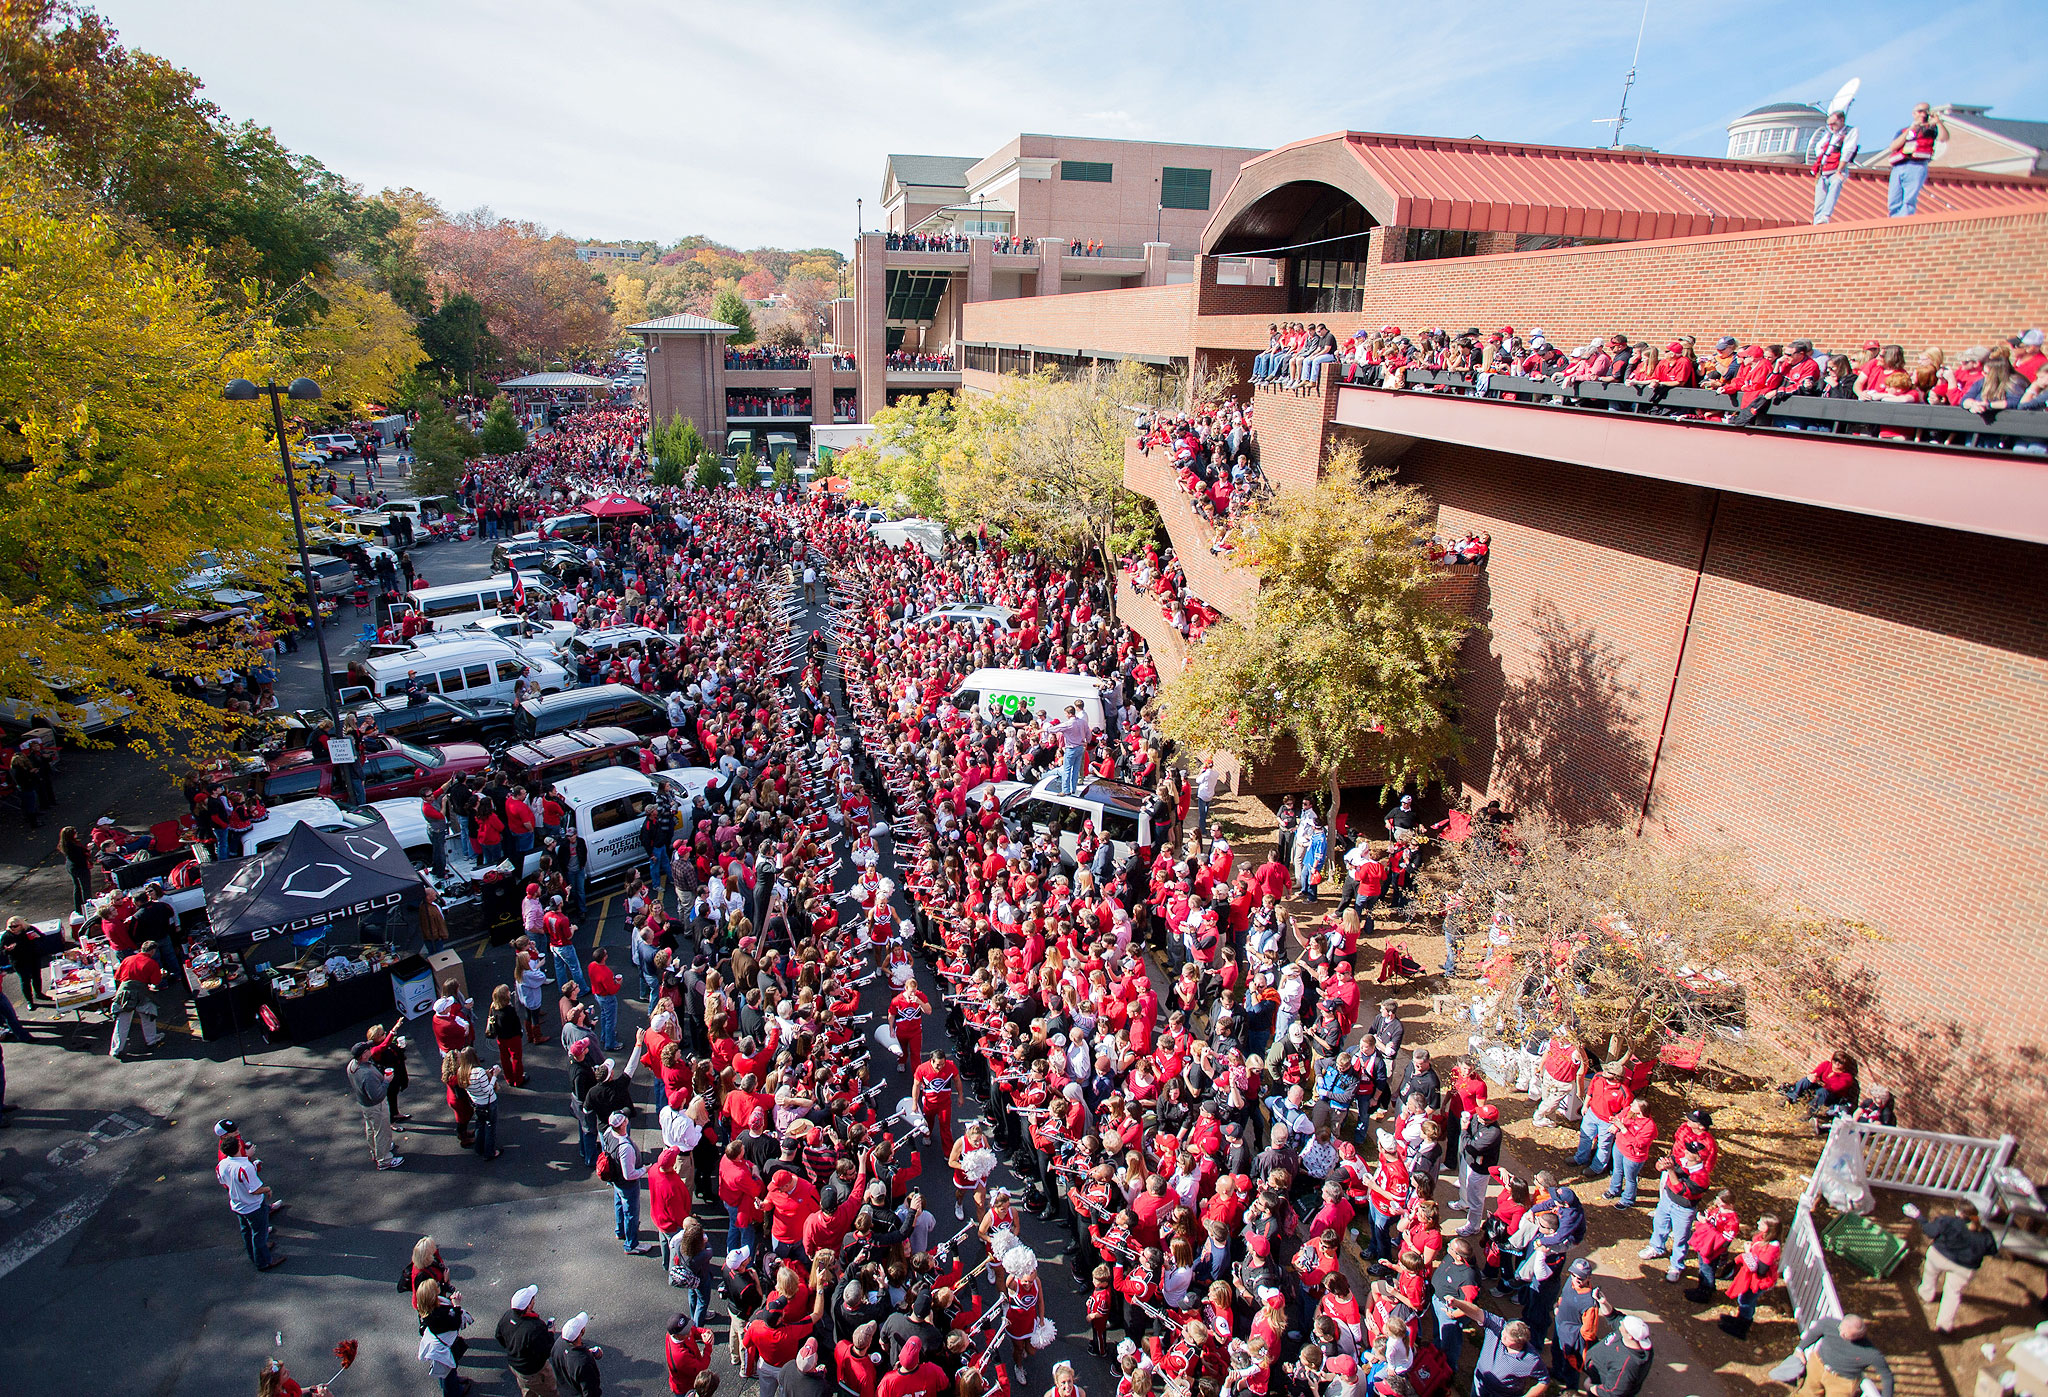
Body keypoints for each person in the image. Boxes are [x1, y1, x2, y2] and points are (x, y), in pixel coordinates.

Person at [1906, 1200, 1998, 1333]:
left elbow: (1930, 1231)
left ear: (1960, 1212)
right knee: (1953, 1294)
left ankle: (1926, 1294)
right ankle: (1944, 1326)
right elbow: (1992, 1251)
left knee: (1930, 1275)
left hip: (1939, 1257)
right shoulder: (1985, 1234)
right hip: (1965, 1268)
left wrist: (1919, 1217)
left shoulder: (1948, 1222)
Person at [1439, 1295, 1551, 1397]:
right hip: (1479, 1384)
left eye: (1506, 1337)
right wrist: (1457, 1303)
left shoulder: (1530, 1359)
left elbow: (1544, 1381)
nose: (1502, 1335)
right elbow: (1477, 1312)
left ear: (1518, 1343)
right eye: (1504, 1332)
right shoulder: (1499, 1327)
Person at [217, 1133, 283, 1271]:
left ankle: (254, 1254)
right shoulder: (245, 1167)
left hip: (237, 1205)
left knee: (246, 1232)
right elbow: (254, 1190)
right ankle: (264, 1261)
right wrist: (267, 1189)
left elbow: (224, 1182)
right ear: (239, 1146)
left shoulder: (221, 1165)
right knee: (259, 1234)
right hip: (252, 1207)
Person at [1793, 1314, 1891, 1397]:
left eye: (1845, 1335)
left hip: (1842, 1381)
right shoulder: (1829, 1324)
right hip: (1818, 1366)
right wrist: (1800, 1349)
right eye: (1841, 1329)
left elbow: (1887, 1376)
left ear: (1859, 1336)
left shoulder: (1870, 1353)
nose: (1841, 1334)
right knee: (1806, 1394)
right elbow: (1814, 1333)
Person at [1880, 102, 1946, 218]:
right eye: (1920, 111)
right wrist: (1911, 129)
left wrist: (1938, 122)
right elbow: (1893, 147)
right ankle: (1893, 221)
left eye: (1926, 111)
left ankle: (1904, 221)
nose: (1923, 114)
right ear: (1914, 113)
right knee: (1894, 199)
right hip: (1899, 166)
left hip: (1917, 165)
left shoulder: (1932, 129)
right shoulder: (1905, 130)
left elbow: (1943, 138)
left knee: (1909, 199)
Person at [347, 1040, 403, 1169]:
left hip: (365, 1105)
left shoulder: (352, 1065)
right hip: (376, 1106)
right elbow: (377, 1095)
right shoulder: (367, 1074)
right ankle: (384, 1160)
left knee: (371, 1129)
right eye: (368, 1049)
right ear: (364, 1055)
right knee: (382, 1131)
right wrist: (386, 1081)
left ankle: (376, 1151)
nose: (371, 1049)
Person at [496, 1285, 559, 1397]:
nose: (534, 1300)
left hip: (516, 1367)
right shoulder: (534, 1327)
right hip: (534, 1371)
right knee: (549, 1391)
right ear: (529, 1305)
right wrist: (550, 1333)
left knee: (528, 1391)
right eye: (532, 1298)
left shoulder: (508, 1315)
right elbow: (545, 1351)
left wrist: (514, 1349)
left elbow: (499, 1336)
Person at [1580, 1306, 1653, 1397]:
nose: (1621, 1322)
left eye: (1623, 1324)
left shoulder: (1625, 1366)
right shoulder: (1635, 1339)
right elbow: (1615, 1317)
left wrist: (1589, 1387)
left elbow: (1612, 1391)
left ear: (1629, 1336)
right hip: (1595, 1374)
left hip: (1599, 1386)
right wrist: (1603, 1303)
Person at [110, 940, 165, 1058]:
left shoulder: (127, 959)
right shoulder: (152, 963)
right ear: (152, 951)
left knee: (122, 1022)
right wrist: (161, 974)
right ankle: (151, 1039)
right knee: (148, 1015)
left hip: (124, 993)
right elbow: (155, 982)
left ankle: (116, 1049)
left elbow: (118, 976)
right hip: (141, 993)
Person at [1809, 111, 1859, 224]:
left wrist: (1839, 171)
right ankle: (1817, 222)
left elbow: (1847, 151)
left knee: (1835, 187)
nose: (1831, 126)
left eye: (1834, 123)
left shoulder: (1850, 132)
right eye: (1829, 124)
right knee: (1819, 200)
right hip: (1823, 170)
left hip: (1836, 169)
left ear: (1841, 121)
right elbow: (1819, 149)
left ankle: (1825, 217)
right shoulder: (1829, 134)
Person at [551, 1312, 605, 1397]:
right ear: (582, 1331)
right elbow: (590, 1391)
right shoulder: (584, 1362)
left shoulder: (558, 1344)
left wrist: (587, 1352)